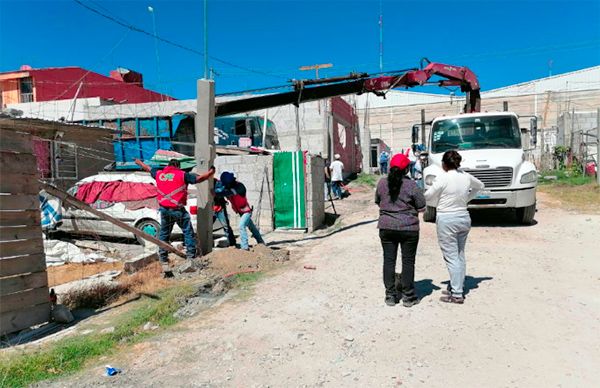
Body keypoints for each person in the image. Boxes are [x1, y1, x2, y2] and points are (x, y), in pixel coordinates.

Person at [135, 158, 215, 276]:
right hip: (178, 210)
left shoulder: (159, 174)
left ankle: (163, 258)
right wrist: (210, 173)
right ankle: (191, 257)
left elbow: (148, 169)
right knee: (187, 232)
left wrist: (139, 162)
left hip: (164, 210)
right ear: (178, 166)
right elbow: (199, 179)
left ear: (168, 165)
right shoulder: (182, 175)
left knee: (164, 234)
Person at [424, 150, 485, 304]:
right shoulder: (465, 176)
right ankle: (457, 285)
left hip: (447, 219)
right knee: (459, 254)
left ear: (444, 164)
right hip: (463, 217)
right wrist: (466, 199)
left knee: (451, 257)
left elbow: (428, 196)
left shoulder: (442, 178)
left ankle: (457, 293)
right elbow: (480, 186)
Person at [375, 153, 427, 307]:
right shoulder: (412, 185)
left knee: (389, 261)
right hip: (409, 228)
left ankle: (390, 296)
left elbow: (378, 201)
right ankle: (408, 297)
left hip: (386, 227)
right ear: (406, 170)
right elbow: (422, 207)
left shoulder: (382, 183)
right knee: (408, 262)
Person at [217, 171, 265, 250]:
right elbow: (221, 190)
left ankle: (244, 247)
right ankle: (261, 243)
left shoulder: (240, 186)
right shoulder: (228, 187)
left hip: (246, 212)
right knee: (252, 228)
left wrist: (217, 194)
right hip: (240, 212)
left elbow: (230, 193)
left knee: (241, 226)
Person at [213, 178, 236, 247]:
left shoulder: (218, 182)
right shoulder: (204, 183)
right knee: (205, 227)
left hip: (219, 208)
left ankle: (232, 244)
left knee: (226, 226)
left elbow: (220, 192)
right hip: (210, 209)